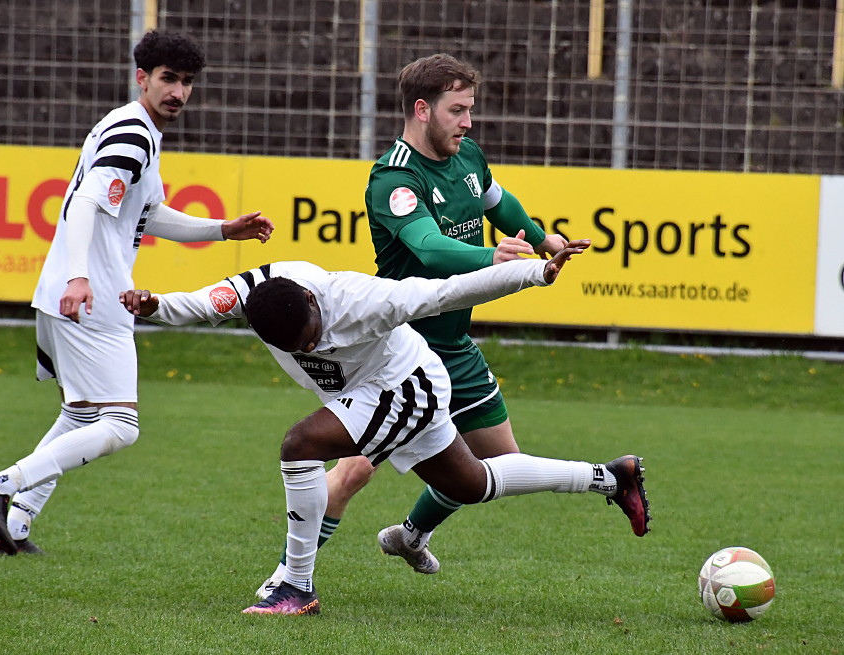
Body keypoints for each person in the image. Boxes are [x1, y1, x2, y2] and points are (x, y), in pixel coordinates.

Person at [118, 241, 650, 615]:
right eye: (298, 348)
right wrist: (153, 305)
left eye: (312, 335)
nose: (311, 347)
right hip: (386, 393)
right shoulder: (252, 296)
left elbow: (448, 292)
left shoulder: (359, 300)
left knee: (300, 446)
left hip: (404, 385)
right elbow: (196, 305)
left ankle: (295, 586)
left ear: (312, 302)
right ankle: (609, 477)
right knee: (472, 483)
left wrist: (534, 273)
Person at [254, 53, 610, 597]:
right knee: (353, 472)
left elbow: (499, 202)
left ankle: (411, 535)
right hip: (398, 353)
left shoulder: (466, 156)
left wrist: (542, 239)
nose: (468, 121)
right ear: (422, 110)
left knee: (499, 464)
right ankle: (289, 580)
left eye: (470, 109)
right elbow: (427, 246)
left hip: (454, 345)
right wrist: (490, 258)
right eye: (457, 110)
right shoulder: (394, 179)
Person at [0, 30, 274, 556]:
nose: (178, 92)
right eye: (168, 79)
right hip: (94, 295)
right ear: (142, 78)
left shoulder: (135, 129)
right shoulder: (132, 133)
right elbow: (86, 202)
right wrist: (80, 276)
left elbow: (149, 215)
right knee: (121, 426)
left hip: (73, 289)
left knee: (82, 416)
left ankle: (15, 525)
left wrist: (223, 229)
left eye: (187, 82)